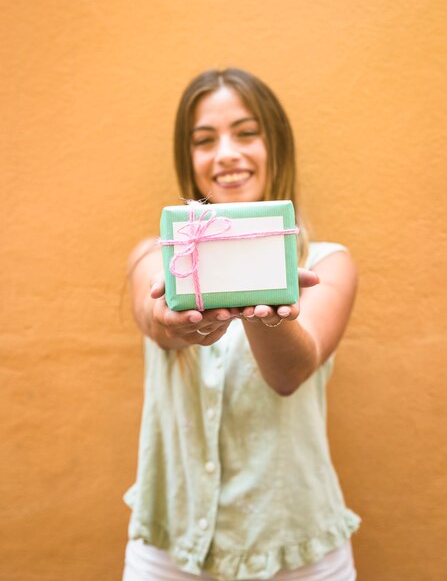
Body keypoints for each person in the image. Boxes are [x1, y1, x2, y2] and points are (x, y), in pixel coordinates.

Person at [123, 68, 360, 581]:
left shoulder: (327, 264)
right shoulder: (155, 256)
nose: (226, 152)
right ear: (189, 160)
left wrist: (267, 307)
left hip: (296, 556)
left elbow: (289, 374)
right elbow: (156, 319)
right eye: (204, 141)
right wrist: (178, 323)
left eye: (246, 133)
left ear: (276, 144)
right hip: (169, 556)